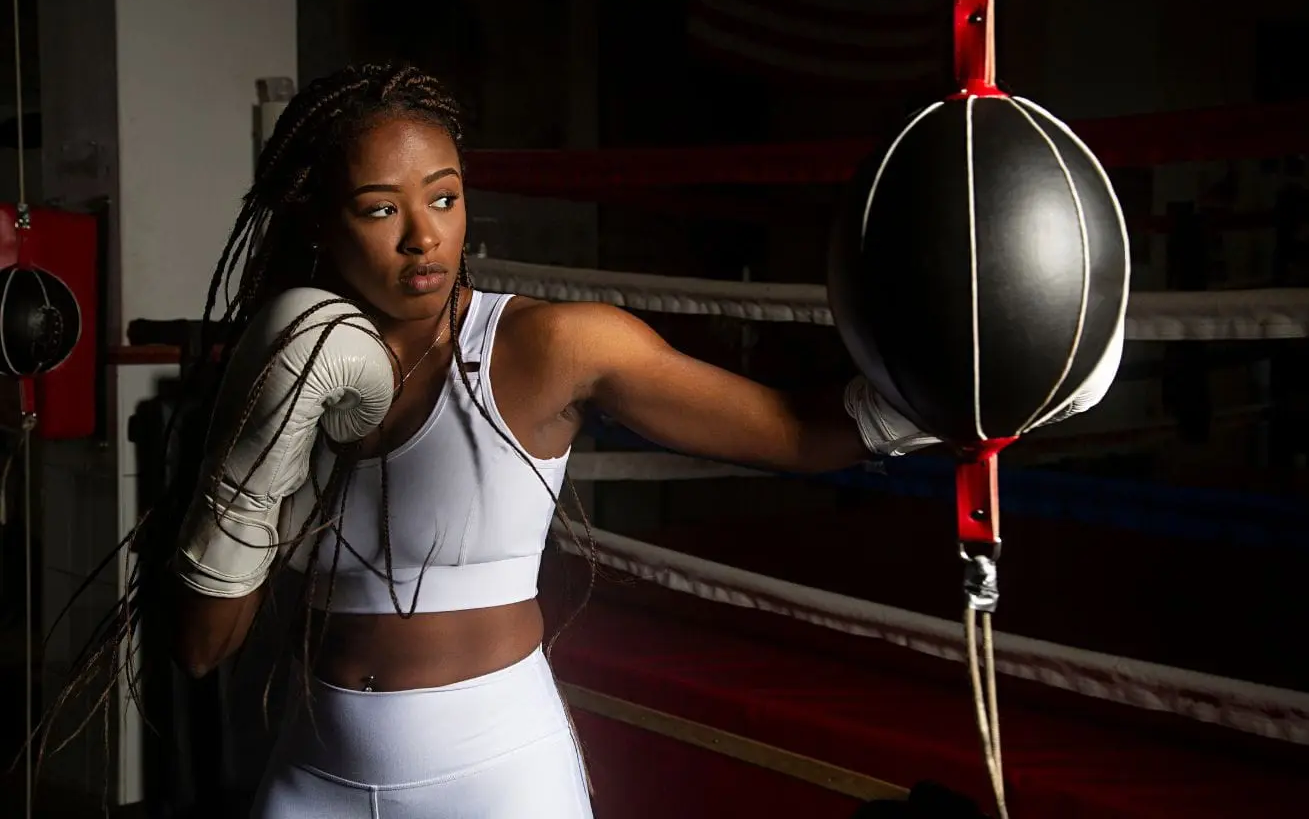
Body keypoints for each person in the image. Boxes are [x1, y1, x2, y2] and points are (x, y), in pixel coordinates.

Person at [53, 61, 1122, 819]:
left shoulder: (550, 347)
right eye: (381, 208)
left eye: (446, 196)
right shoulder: (287, 367)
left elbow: (800, 429)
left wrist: (969, 389)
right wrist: (252, 454)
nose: (425, 235)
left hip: (495, 778)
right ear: (320, 222)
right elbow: (201, 646)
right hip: (315, 774)